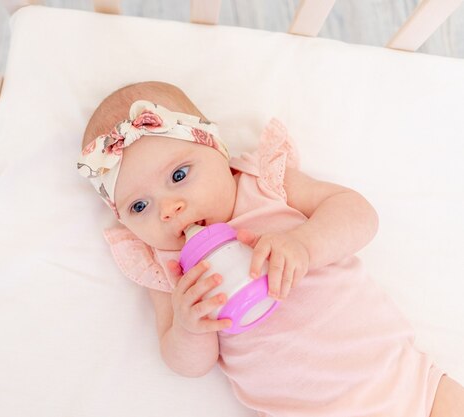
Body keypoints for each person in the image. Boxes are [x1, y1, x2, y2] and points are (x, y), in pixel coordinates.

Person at [77, 81, 464, 416]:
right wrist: (187, 328)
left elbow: (359, 214)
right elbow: (186, 365)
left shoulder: (264, 185)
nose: (168, 210)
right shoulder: (167, 268)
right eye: (139, 206)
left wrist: (304, 244)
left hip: (410, 386)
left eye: (179, 175)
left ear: (217, 148)